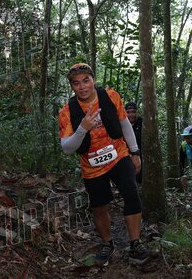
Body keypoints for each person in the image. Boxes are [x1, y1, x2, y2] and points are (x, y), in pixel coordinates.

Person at [58, 63, 150, 267]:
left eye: (86, 80)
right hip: (92, 165)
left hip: (118, 155)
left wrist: (135, 152)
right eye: (76, 83)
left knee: (131, 193)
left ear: (93, 80)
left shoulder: (110, 96)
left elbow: (125, 124)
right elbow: (67, 148)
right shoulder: (66, 112)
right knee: (99, 207)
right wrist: (82, 128)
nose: (82, 86)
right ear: (72, 87)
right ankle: (107, 244)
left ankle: (135, 244)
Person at [125, 101, 143, 184]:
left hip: (141, 156)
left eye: (133, 112)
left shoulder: (142, 123)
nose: (131, 114)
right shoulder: (122, 124)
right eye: (128, 112)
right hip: (126, 156)